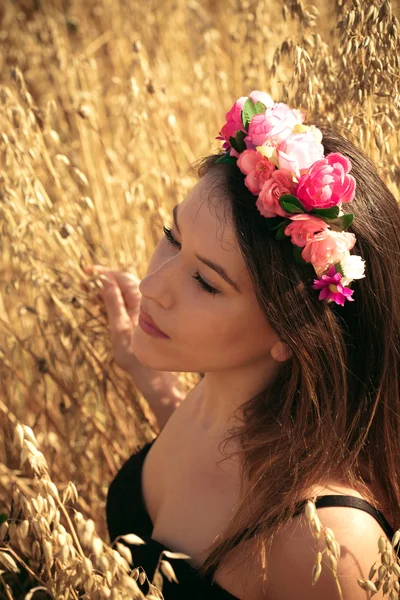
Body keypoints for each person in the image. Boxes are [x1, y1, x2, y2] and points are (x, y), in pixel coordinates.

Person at [85, 91, 400, 599]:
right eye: (172, 234)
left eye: (206, 283)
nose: (151, 287)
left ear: (291, 331)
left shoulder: (328, 546)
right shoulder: (221, 397)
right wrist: (143, 371)